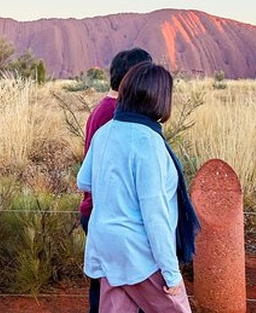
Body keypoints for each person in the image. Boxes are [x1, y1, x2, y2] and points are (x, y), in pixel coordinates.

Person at [78, 62, 200, 313]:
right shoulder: (149, 142)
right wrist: (172, 273)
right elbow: (155, 217)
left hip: (104, 245)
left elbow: (84, 181)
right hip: (138, 254)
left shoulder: (104, 132)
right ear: (161, 98)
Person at [79, 48, 153, 313]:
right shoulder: (114, 114)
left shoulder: (106, 108)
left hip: (101, 213)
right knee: (111, 295)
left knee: (108, 291)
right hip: (107, 215)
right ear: (132, 79)